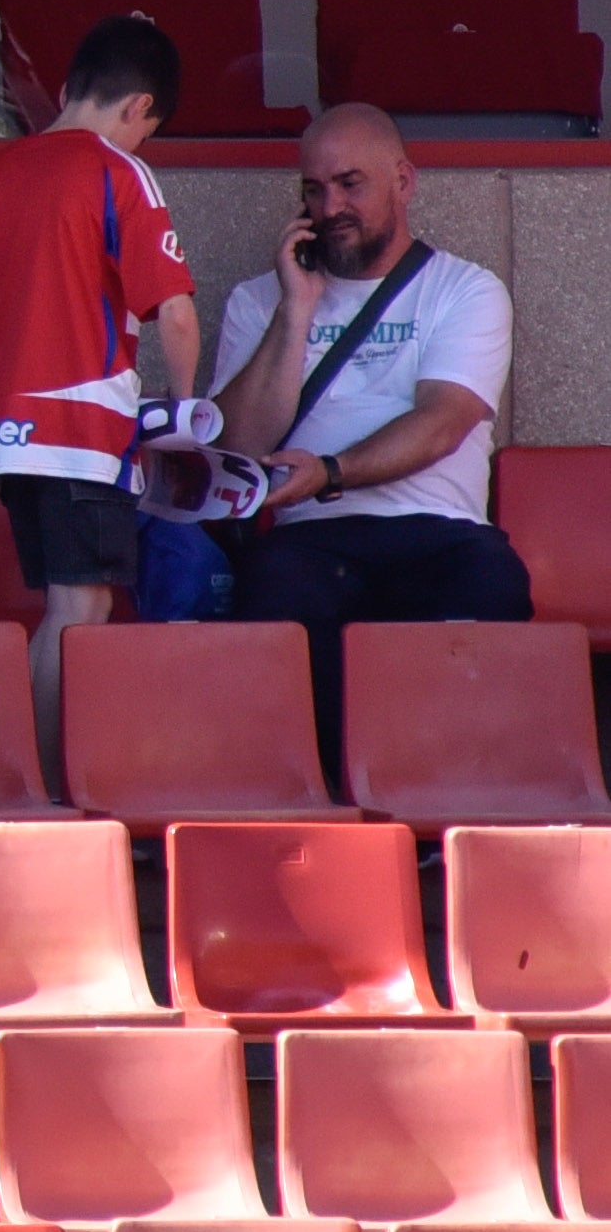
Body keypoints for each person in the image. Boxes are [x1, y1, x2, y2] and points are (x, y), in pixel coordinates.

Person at [0, 11, 200, 786]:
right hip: (84, 433)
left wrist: (4, 388)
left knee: (60, 607)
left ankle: (43, 784)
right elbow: (173, 312)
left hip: (10, 441)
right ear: (139, 107)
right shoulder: (118, 171)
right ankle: (47, 789)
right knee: (78, 614)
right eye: (149, 130)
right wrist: (183, 417)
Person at [209, 101, 529, 774]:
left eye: (349, 184)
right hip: (308, 540)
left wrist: (329, 471)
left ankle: (444, 804)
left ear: (402, 182)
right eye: (312, 190)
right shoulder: (256, 301)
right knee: (275, 598)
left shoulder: (464, 290)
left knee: (489, 586)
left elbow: (442, 421)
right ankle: (327, 810)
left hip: (436, 531)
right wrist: (295, 310)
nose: (329, 207)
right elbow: (235, 443)